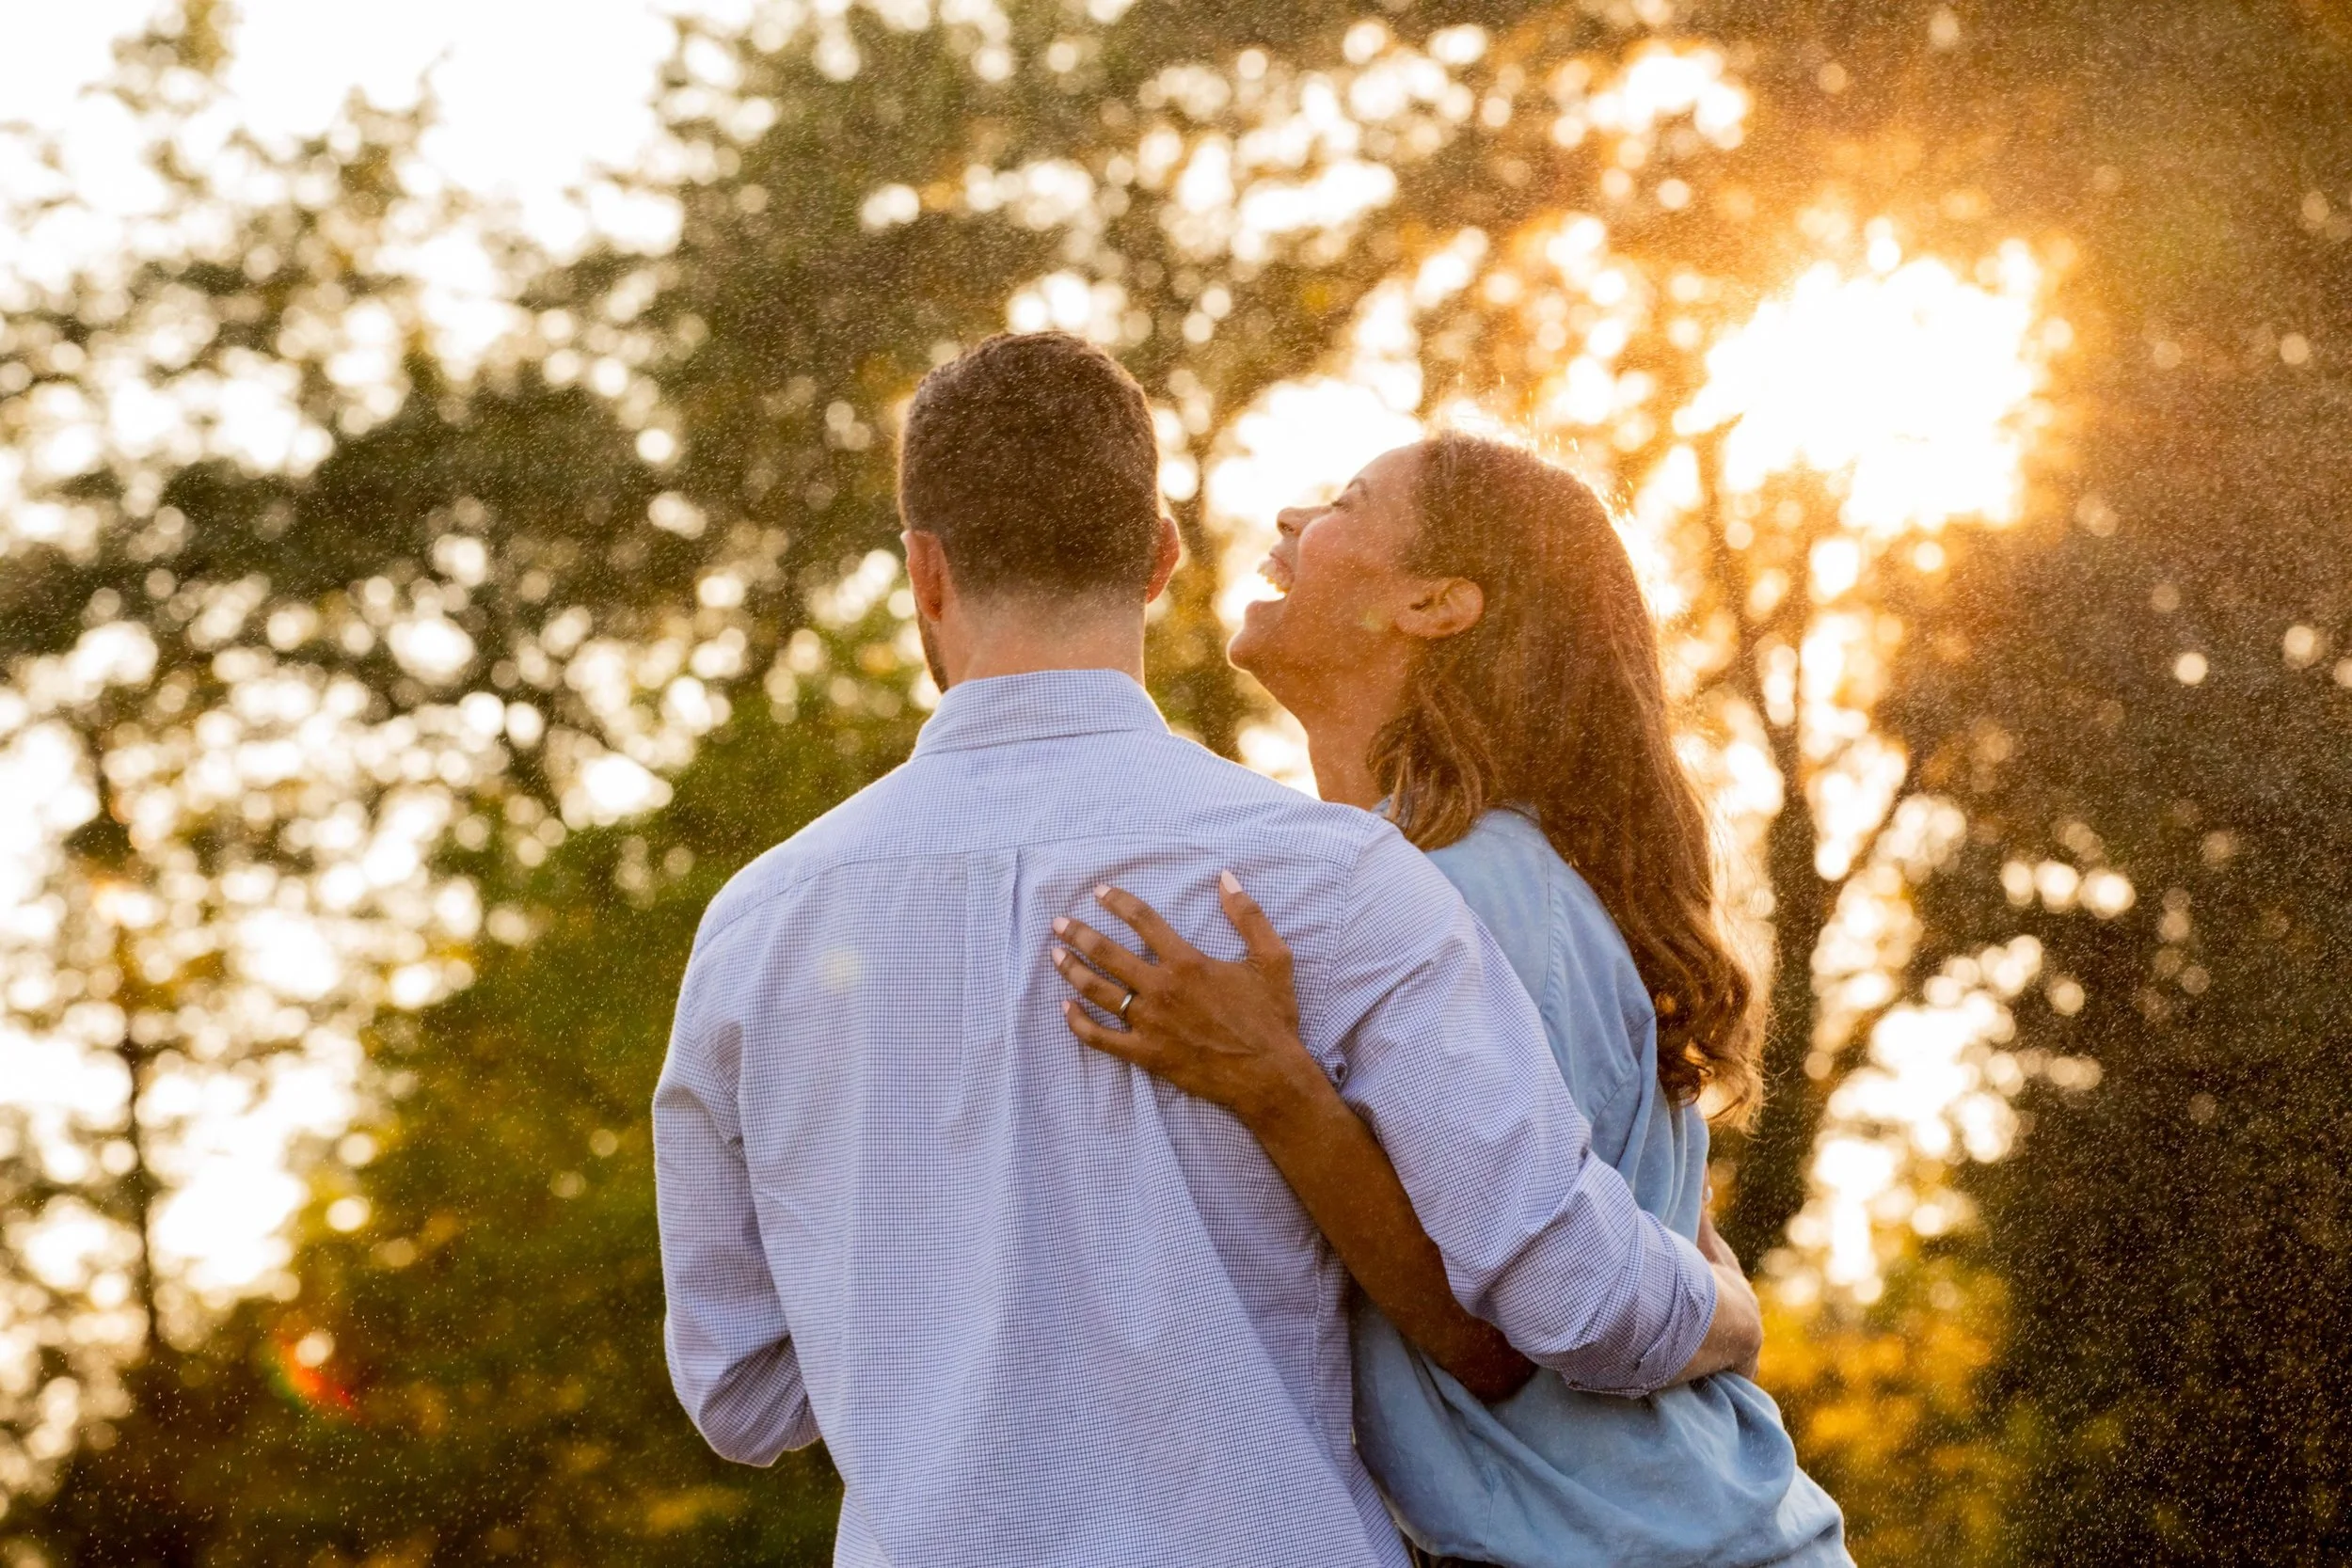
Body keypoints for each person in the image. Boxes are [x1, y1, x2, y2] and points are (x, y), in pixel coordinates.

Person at [653, 333, 1760, 1567]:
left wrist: (938, 1286)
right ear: (1163, 555)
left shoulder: (759, 923)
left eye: (1344, 503)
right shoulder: (1337, 881)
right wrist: (1727, 1300)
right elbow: (1562, 1297)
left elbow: (744, 1394)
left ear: (926, 573)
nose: (1301, 518)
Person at [1050, 432, 1851, 1566]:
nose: (1287, 519)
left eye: (1341, 500)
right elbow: (1665, 1251)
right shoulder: (1455, 873)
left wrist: (1272, 1085)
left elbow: (1497, 1337)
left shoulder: (1471, 885)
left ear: (1434, 602)